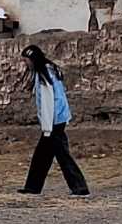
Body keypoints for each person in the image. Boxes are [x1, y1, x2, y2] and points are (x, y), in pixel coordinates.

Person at [18, 45, 90, 197]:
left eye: (26, 61)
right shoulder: (49, 71)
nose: (25, 64)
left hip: (53, 122)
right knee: (42, 156)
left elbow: (48, 103)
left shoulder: (45, 75)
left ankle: (79, 187)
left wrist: (47, 127)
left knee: (63, 156)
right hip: (56, 120)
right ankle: (32, 187)